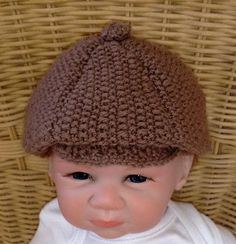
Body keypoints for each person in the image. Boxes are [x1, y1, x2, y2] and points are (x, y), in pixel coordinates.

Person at [23, 21, 235, 243]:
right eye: (80, 175)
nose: (106, 201)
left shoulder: (201, 234)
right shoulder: (58, 228)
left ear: (183, 170)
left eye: (136, 178)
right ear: (51, 168)